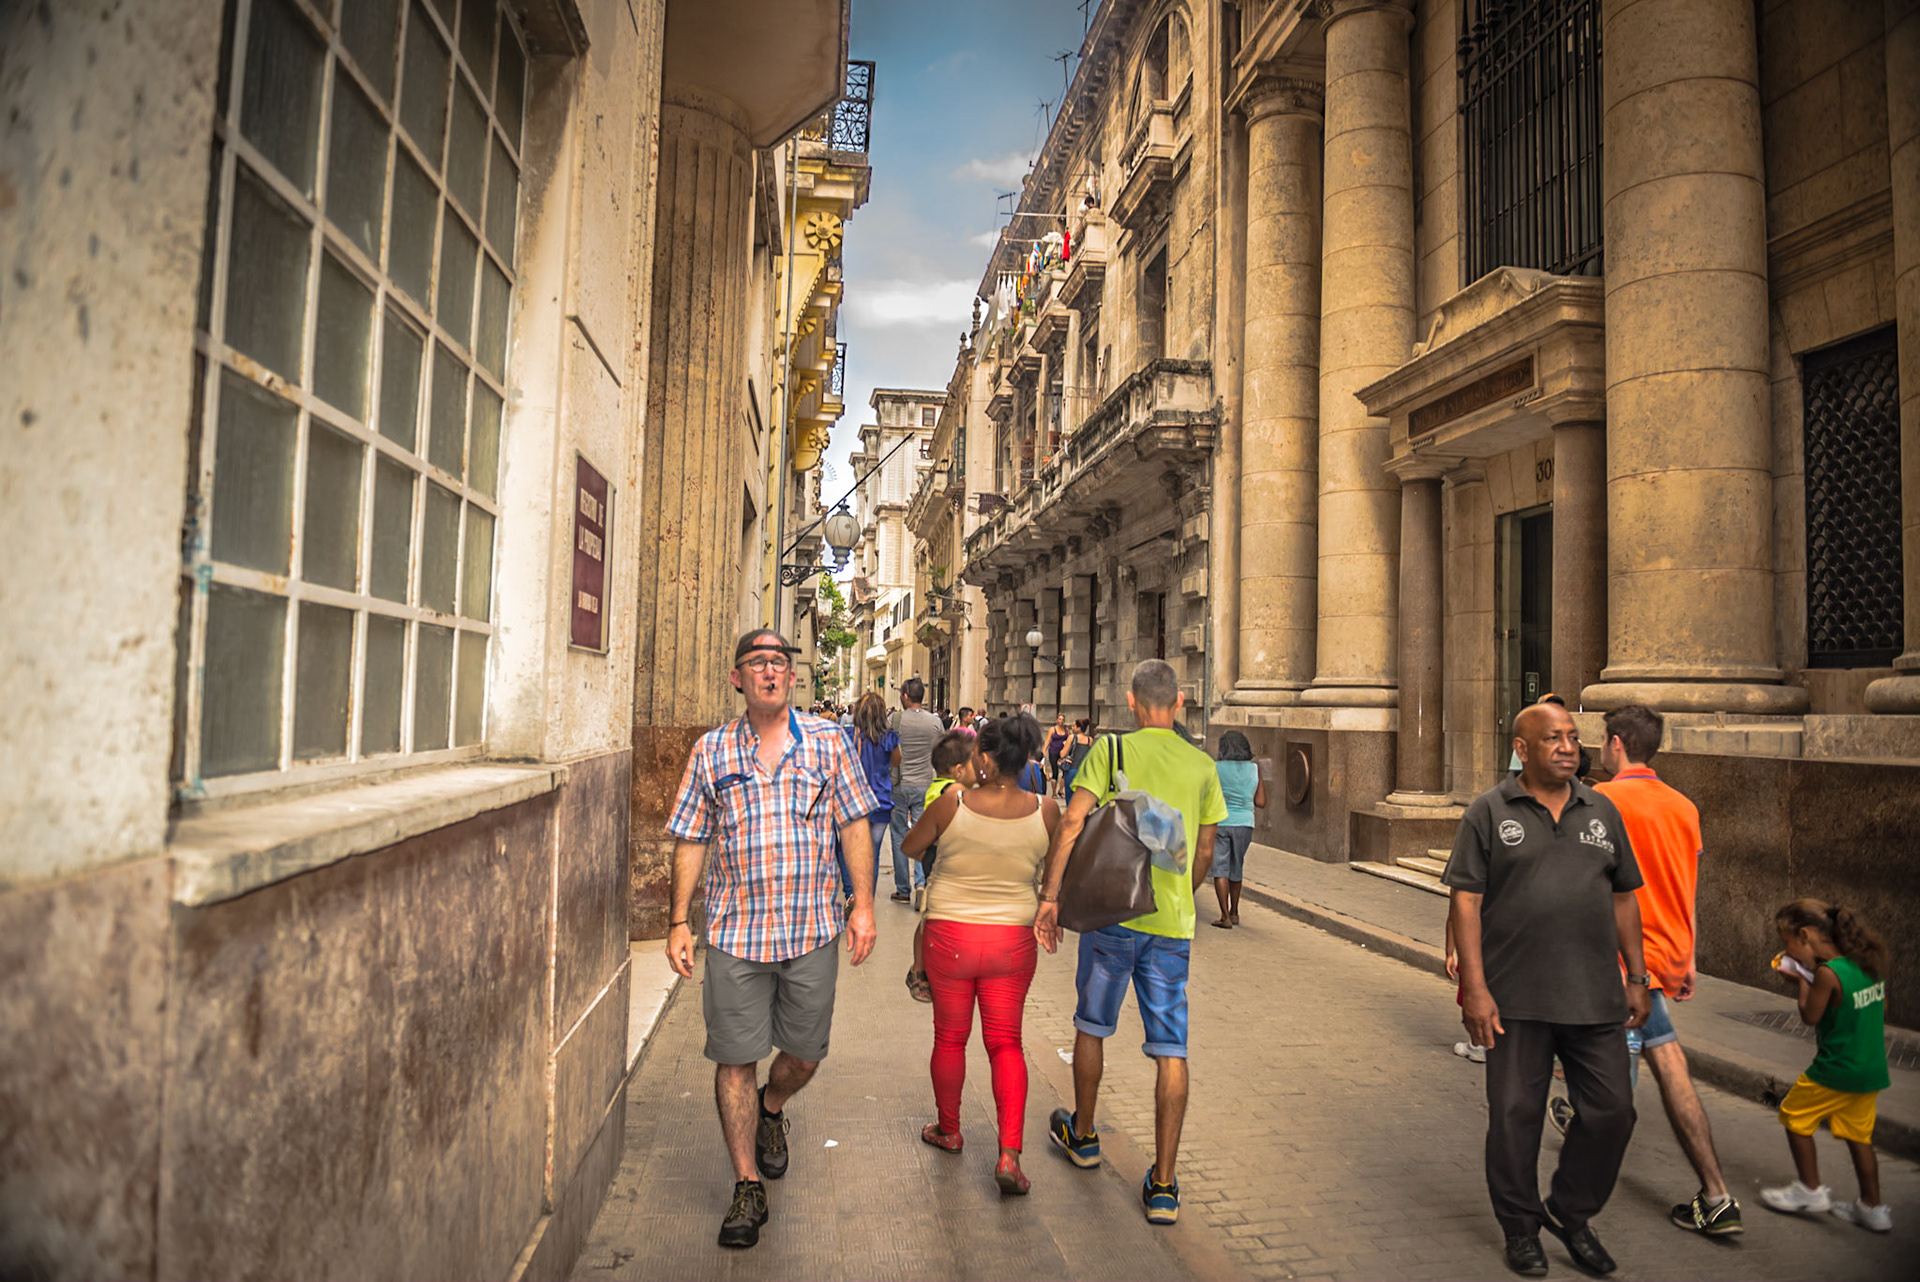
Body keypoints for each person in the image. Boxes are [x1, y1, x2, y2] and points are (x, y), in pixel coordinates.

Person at [663, 629, 879, 1250]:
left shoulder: (829, 742)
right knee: (733, 1055)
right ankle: (746, 1184)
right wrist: (679, 920)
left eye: (779, 663)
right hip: (735, 931)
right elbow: (691, 838)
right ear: (737, 678)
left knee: (806, 1054)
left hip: (812, 928)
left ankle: (773, 1107)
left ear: (792, 675)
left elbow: (854, 824)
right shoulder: (711, 752)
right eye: (757, 663)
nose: (769, 672)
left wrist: (863, 904)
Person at [1443, 700, 1649, 1278]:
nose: (1568, 747)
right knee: (1514, 1117)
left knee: (1612, 1111)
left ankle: (1570, 1209)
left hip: (1594, 997)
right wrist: (1475, 991)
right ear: (1523, 748)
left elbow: (1623, 896)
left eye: (1573, 738)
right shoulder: (1488, 812)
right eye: (1554, 738)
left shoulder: (1601, 810)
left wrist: (1637, 976)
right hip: (1515, 1000)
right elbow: (1466, 899)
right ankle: (1520, 1228)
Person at [1034, 660, 1226, 1226]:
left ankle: (1085, 1135)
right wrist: (1179, 897)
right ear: (1182, 702)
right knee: (1171, 1048)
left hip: (1113, 917)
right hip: (1171, 928)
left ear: (1133, 702)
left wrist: (1051, 898)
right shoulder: (1203, 766)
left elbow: (1071, 824)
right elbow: (1207, 853)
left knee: (1092, 1025)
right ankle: (1164, 1186)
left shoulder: (1110, 752)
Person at [1575, 704, 1740, 1236]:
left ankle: (1582, 1204)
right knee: (1665, 1063)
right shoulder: (1684, 807)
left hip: (1624, 965)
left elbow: (1587, 887)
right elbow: (1688, 886)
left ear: (1617, 743)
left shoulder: (1601, 802)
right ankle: (1714, 1196)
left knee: (1622, 1085)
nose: (1601, 748)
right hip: (1667, 954)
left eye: (1603, 739)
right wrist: (1690, 955)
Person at [902, 714, 1060, 1195]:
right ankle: (1009, 1154)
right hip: (1012, 941)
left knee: (950, 1039)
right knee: (1006, 1043)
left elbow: (911, 848)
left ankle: (949, 1130)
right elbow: (1051, 870)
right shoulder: (1046, 810)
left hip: (950, 938)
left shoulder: (953, 802)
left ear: (985, 758)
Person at [1759, 899, 1893, 1232]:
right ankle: (1872, 1207)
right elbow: (1880, 1006)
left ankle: (1809, 1188)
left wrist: (1803, 977)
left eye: (1788, 944)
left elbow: (1810, 1015)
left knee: (1794, 1114)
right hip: (1871, 1069)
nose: (1788, 950)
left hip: (1836, 1069)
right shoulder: (1864, 964)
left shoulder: (1826, 973)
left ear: (1804, 936)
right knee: (1859, 1136)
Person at [903, 730, 982, 1003]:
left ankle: (919, 967)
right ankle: (923, 970)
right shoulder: (957, 792)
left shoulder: (939, 786)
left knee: (931, 917)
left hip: (934, 860)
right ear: (959, 771)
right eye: (975, 762)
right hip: (944, 861)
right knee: (937, 918)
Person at [891, 679, 947, 908]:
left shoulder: (894, 720)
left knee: (898, 834)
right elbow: (941, 751)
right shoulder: (935, 722)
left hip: (899, 784)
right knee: (921, 833)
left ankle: (903, 889)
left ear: (905, 696)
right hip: (925, 783)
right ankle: (921, 884)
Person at [840, 693, 899, 902]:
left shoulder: (848, 736)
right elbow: (897, 761)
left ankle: (850, 893)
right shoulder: (889, 738)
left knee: (846, 849)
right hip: (880, 801)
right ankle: (866, 898)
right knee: (871, 855)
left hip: (853, 801)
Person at [1208, 731, 1265, 929]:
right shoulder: (1254, 769)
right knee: (1236, 866)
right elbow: (1261, 801)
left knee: (1220, 868)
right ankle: (1235, 911)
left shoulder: (1216, 768)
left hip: (1221, 822)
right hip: (1245, 824)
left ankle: (1224, 916)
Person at [1061, 719, 1094, 795]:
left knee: (1070, 797)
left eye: (1074, 726)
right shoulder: (1090, 740)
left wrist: (1065, 746)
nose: (1072, 728)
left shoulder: (1072, 737)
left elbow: (1062, 754)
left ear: (1079, 728)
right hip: (1084, 772)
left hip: (1072, 769)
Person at [1046, 714, 1069, 796]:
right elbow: (1048, 740)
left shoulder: (1066, 730)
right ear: (1057, 720)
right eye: (1059, 719)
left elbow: (1069, 741)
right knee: (1055, 771)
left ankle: (1061, 790)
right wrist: (1043, 750)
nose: (1061, 721)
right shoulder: (1052, 730)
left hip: (1063, 753)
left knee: (1064, 771)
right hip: (1053, 752)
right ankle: (1054, 792)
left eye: (1063, 719)